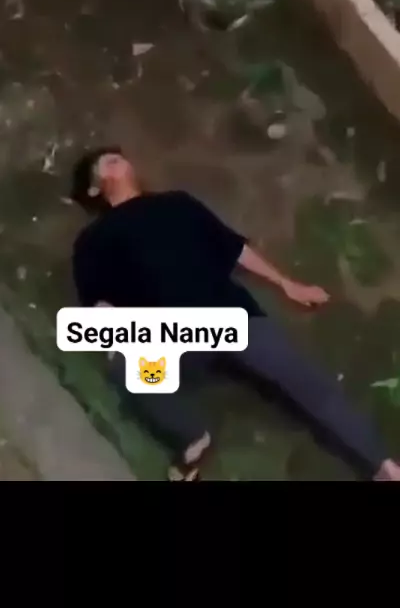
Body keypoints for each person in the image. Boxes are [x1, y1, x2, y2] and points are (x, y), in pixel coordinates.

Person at [71, 147, 400, 482]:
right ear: (95, 188)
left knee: (311, 386)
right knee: (127, 370)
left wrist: (287, 284)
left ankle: (382, 465)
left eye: (120, 157)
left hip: (232, 316)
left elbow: (234, 248)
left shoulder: (176, 204)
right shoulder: (95, 239)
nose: (121, 160)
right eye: (108, 162)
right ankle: (193, 438)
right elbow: (98, 304)